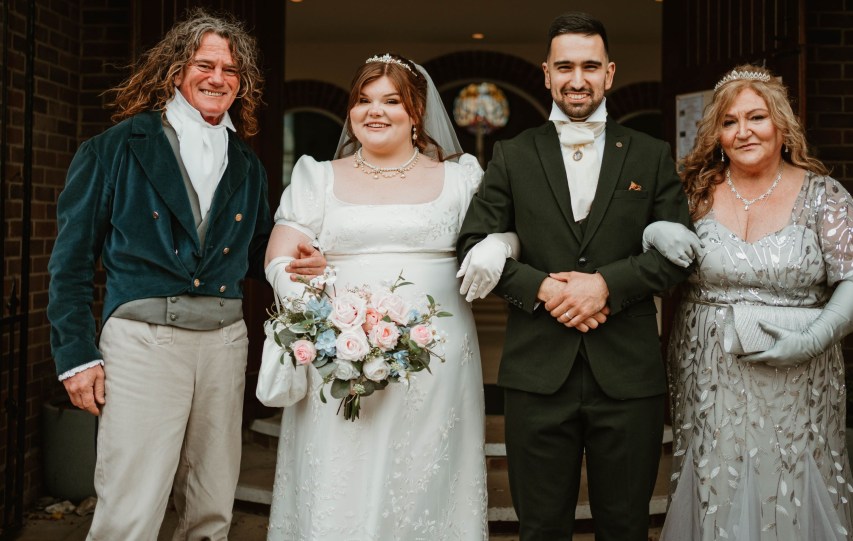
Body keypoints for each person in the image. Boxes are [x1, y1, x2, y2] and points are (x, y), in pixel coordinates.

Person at [47, 9, 323, 540]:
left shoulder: (245, 162)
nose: (218, 78)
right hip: (141, 343)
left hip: (224, 343)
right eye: (205, 65)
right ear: (177, 71)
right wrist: (76, 356)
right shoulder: (115, 149)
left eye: (231, 70)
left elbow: (254, 248)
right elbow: (71, 261)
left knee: (213, 504)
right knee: (130, 506)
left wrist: (295, 261)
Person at [256, 53, 516, 539]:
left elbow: (508, 233)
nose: (375, 111)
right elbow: (277, 258)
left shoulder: (461, 178)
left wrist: (501, 245)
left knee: (425, 476)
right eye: (363, 100)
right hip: (341, 354)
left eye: (391, 101)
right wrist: (323, 314)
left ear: (416, 111)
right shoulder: (318, 176)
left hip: (438, 359)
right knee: (342, 473)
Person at [457, 12, 692, 539]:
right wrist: (542, 288)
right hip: (536, 374)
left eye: (590, 66)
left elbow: (680, 253)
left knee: (626, 525)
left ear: (610, 73)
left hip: (628, 377)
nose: (577, 78)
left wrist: (606, 285)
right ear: (546, 74)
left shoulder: (652, 156)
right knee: (539, 527)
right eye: (565, 66)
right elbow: (473, 244)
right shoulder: (512, 155)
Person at [645, 65, 853, 540]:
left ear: (781, 125)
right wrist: (655, 229)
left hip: (801, 372)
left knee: (792, 471)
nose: (743, 131)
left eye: (756, 117)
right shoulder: (694, 193)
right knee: (717, 471)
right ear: (717, 133)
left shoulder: (822, 195)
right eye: (730, 121)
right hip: (708, 370)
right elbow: (646, 259)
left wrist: (814, 337)